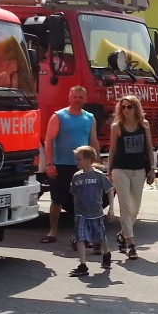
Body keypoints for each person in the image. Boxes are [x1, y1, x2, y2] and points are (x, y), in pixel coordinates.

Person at [41, 86, 100, 245]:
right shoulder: (59, 116)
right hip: (61, 165)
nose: (77, 100)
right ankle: (52, 232)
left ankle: (80, 236)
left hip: (82, 168)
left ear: (85, 99)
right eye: (75, 96)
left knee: (81, 202)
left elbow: (93, 142)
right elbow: (49, 141)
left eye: (80, 97)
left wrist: (95, 164)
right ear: (69, 97)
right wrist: (50, 164)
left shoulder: (90, 118)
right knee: (57, 200)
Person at [106, 95, 156, 260]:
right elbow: (113, 150)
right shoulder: (117, 127)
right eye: (123, 107)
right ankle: (131, 244)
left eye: (129, 107)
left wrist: (152, 168)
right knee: (126, 206)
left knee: (135, 208)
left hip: (139, 170)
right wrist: (109, 170)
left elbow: (149, 148)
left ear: (135, 108)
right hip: (120, 170)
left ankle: (122, 235)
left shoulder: (144, 125)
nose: (125, 110)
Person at [68, 146, 115, 277]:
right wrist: (75, 213)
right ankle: (83, 265)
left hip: (96, 212)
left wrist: (111, 209)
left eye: (79, 159)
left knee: (99, 236)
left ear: (88, 160)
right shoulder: (76, 177)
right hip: (81, 213)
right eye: (76, 159)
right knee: (80, 238)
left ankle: (106, 253)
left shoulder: (98, 175)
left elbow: (110, 190)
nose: (77, 162)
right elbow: (75, 196)